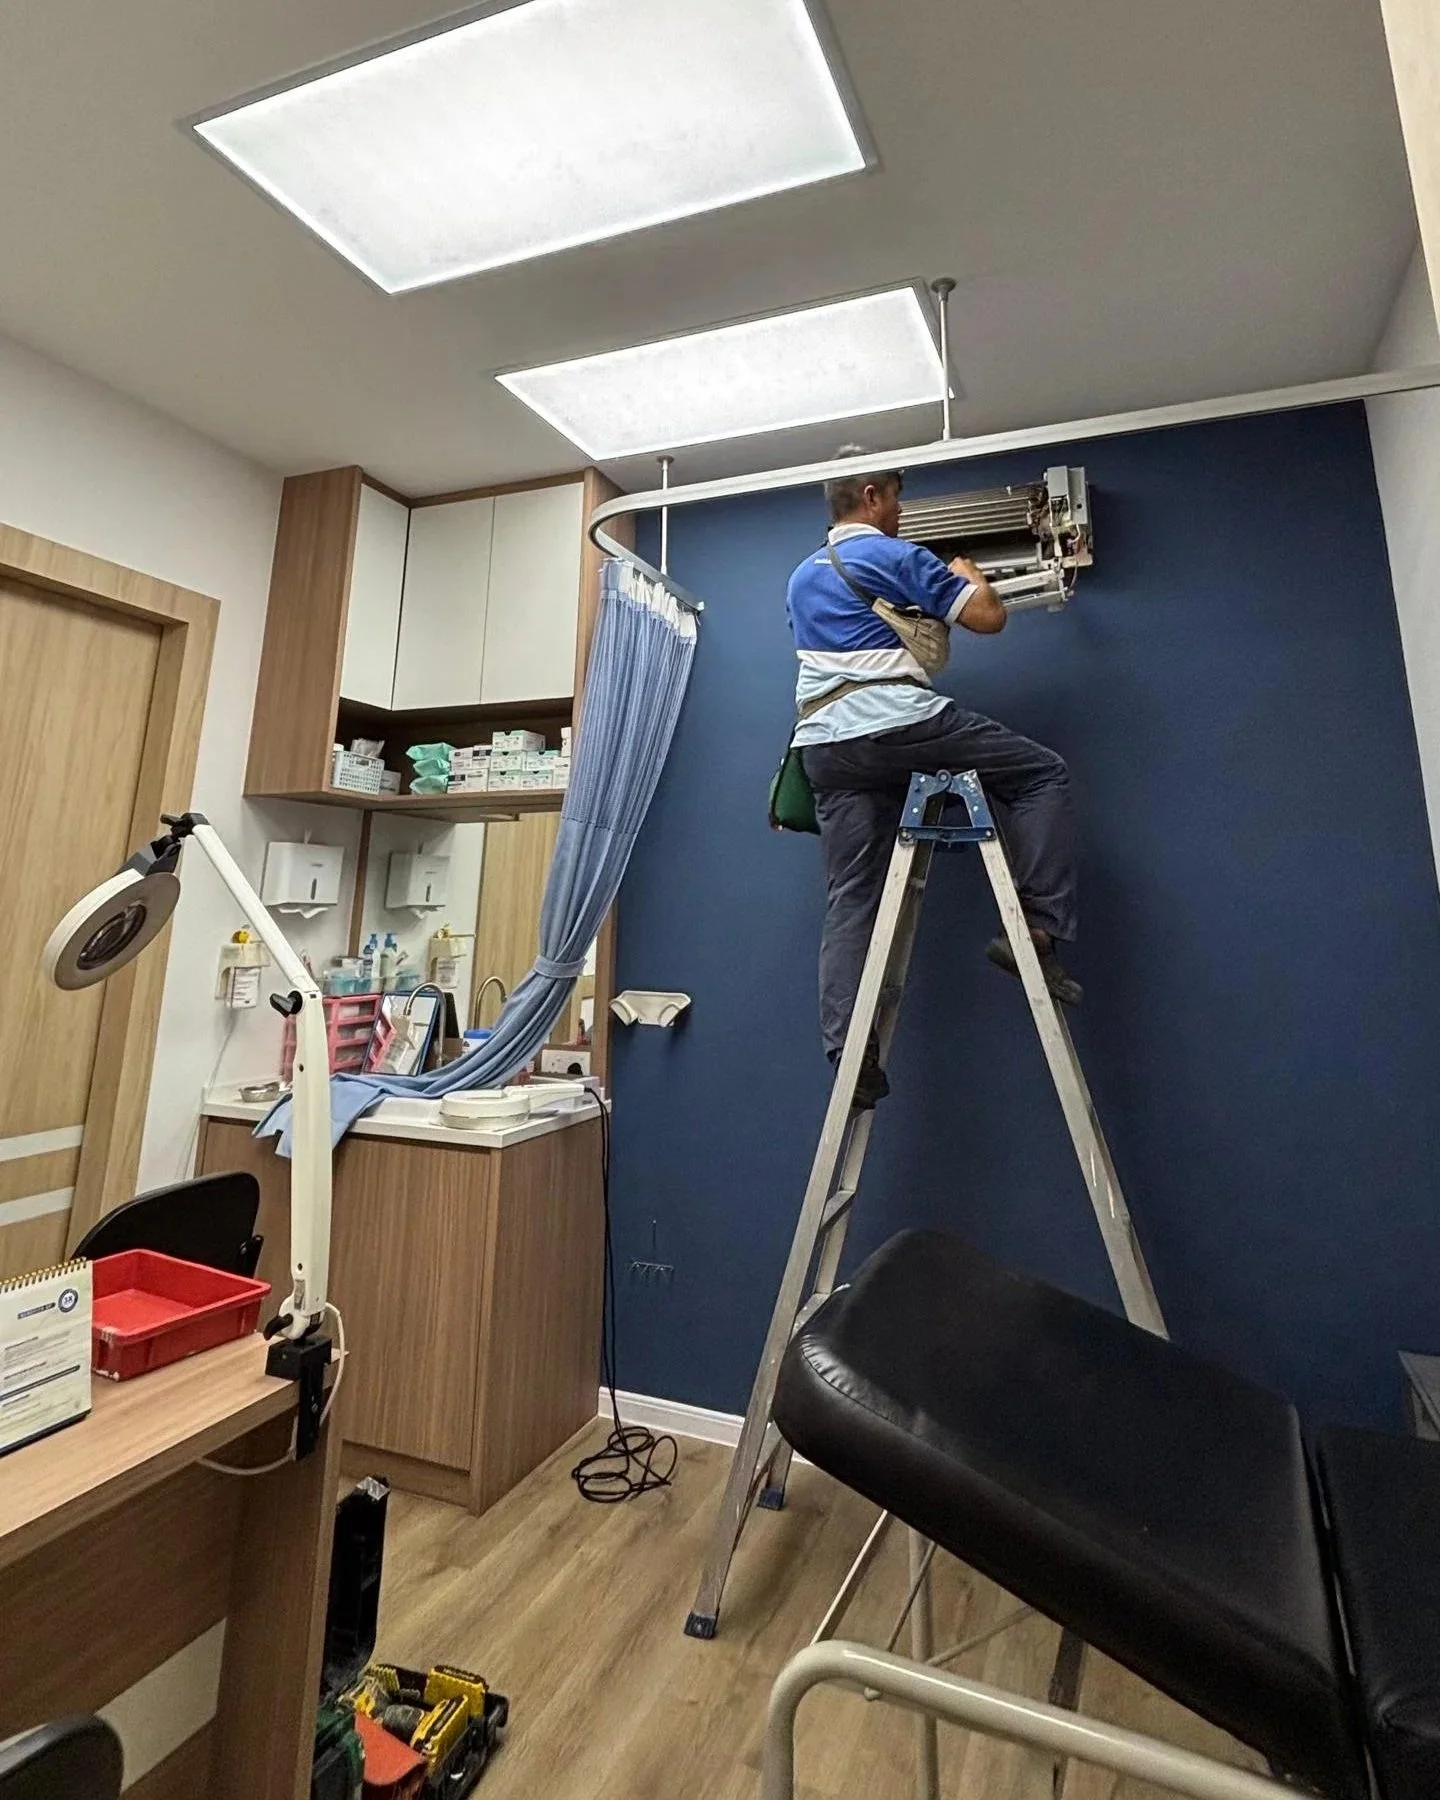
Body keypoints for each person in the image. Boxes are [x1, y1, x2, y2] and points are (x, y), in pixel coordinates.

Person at [785, 448, 1080, 1108]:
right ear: (870, 495)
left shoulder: (801, 577)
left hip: (826, 748)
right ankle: (1032, 928)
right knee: (1042, 775)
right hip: (898, 724)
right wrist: (970, 578)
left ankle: (847, 1052)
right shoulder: (894, 555)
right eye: (893, 499)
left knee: (852, 895)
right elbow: (988, 619)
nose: (898, 512)